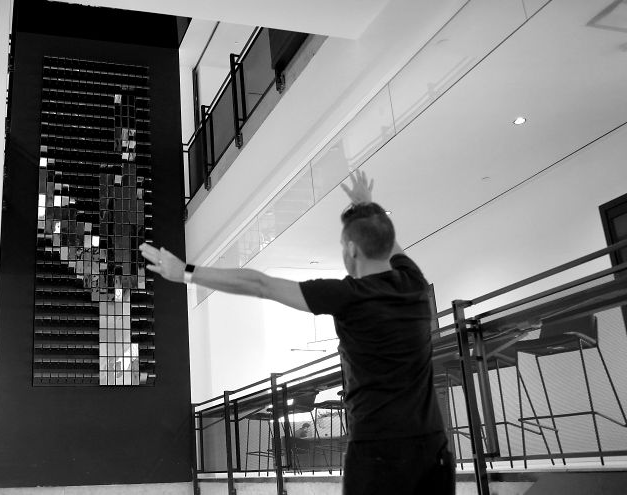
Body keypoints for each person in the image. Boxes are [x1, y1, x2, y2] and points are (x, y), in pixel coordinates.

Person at [139, 170, 455, 494]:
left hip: (379, 451)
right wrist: (367, 205)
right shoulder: (413, 282)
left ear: (350, 250)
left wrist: (185, 272)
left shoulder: (346, 296)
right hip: (433, 449)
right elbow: (387, 242)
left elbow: (260, 284)